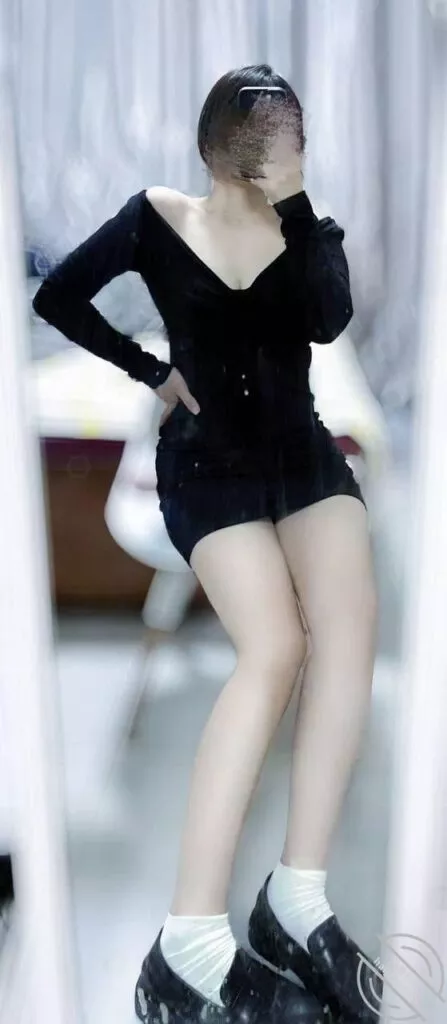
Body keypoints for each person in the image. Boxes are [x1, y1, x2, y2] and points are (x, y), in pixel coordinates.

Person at [33, 64, 383, 1024]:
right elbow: (59, 297)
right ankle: (185, 946)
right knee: (274, 649)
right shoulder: (157, 215)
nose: (285, 148)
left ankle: (296, 898)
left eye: (292, 137)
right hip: (206, 464)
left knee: (350, 622)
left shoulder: (308, 236)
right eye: (273, 135)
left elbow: (329, 321)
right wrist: (147, 369)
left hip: (298, 454)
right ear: (221, 144)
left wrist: (298, 204)